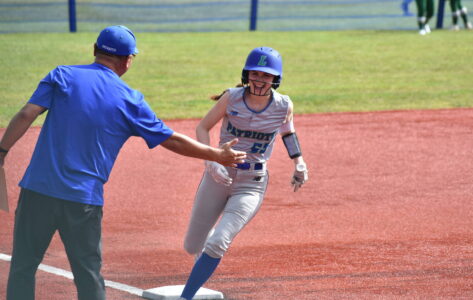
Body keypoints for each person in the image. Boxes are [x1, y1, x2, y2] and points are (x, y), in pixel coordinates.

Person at [1, 25, 246, 300]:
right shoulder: (130, 100)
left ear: (95, 50)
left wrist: (2, 152)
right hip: (83, 201)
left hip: (38, 190)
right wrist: (217, 155)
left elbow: (26, 114)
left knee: (23, 267)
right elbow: (171, 140)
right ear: (128, 61)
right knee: (87, 272)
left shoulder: (62, 75)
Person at [179, 47, 309, 299]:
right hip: (219, 175)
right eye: (255, 74)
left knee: (218, 242)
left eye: (266, 75)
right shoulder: (232, 97)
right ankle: (201, 254)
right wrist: (211, 160)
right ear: (247, 74)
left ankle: (187, 296)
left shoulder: (283, 105)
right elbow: (202, 128)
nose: (260, 80)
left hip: (252, 183)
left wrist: (299, 162)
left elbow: (288, 133)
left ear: (276, 79)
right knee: (192, 245)